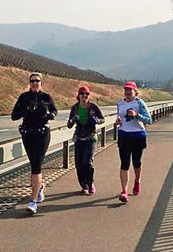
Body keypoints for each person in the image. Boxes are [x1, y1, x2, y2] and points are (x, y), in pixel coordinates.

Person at [11, 72, 58, 214]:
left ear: (41, 82)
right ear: (29, 82)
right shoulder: (24, 97)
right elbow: (14, 116)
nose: (35, 83)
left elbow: (55, 110)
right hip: (28, 134)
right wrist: (25, 110)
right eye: (32, 81)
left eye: (37, 81)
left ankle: (33, 202)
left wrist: (51, 115)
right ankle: (40, 187)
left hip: (42, 134)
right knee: (33, 164)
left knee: (37, 165)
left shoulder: (46, 97)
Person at [115, 82, 152, 203]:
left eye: (130, 90)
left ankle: (137, 181)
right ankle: (124, 191)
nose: (127, 92)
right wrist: (118, 122)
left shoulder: (139, 103)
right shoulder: (120, 103)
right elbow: (120, 117)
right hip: (123, 135)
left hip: (137, 135)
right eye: (126, 90)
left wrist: (137, 115)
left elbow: (149, 120)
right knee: (124, 163)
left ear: (135, 91)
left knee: (136, 162)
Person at [67, 86, 105, 195]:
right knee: (79, 164)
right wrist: (73, 120)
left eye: (87, 94)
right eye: (82, 94)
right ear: (78, 96)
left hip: (90, 138)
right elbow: (69, 125)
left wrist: (96, 121)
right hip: (79, 138)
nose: (84, 96)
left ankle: (90, 183)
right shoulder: (75, 108)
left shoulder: (93, 107)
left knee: (87, 162)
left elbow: (102, 119)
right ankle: (83, 185)